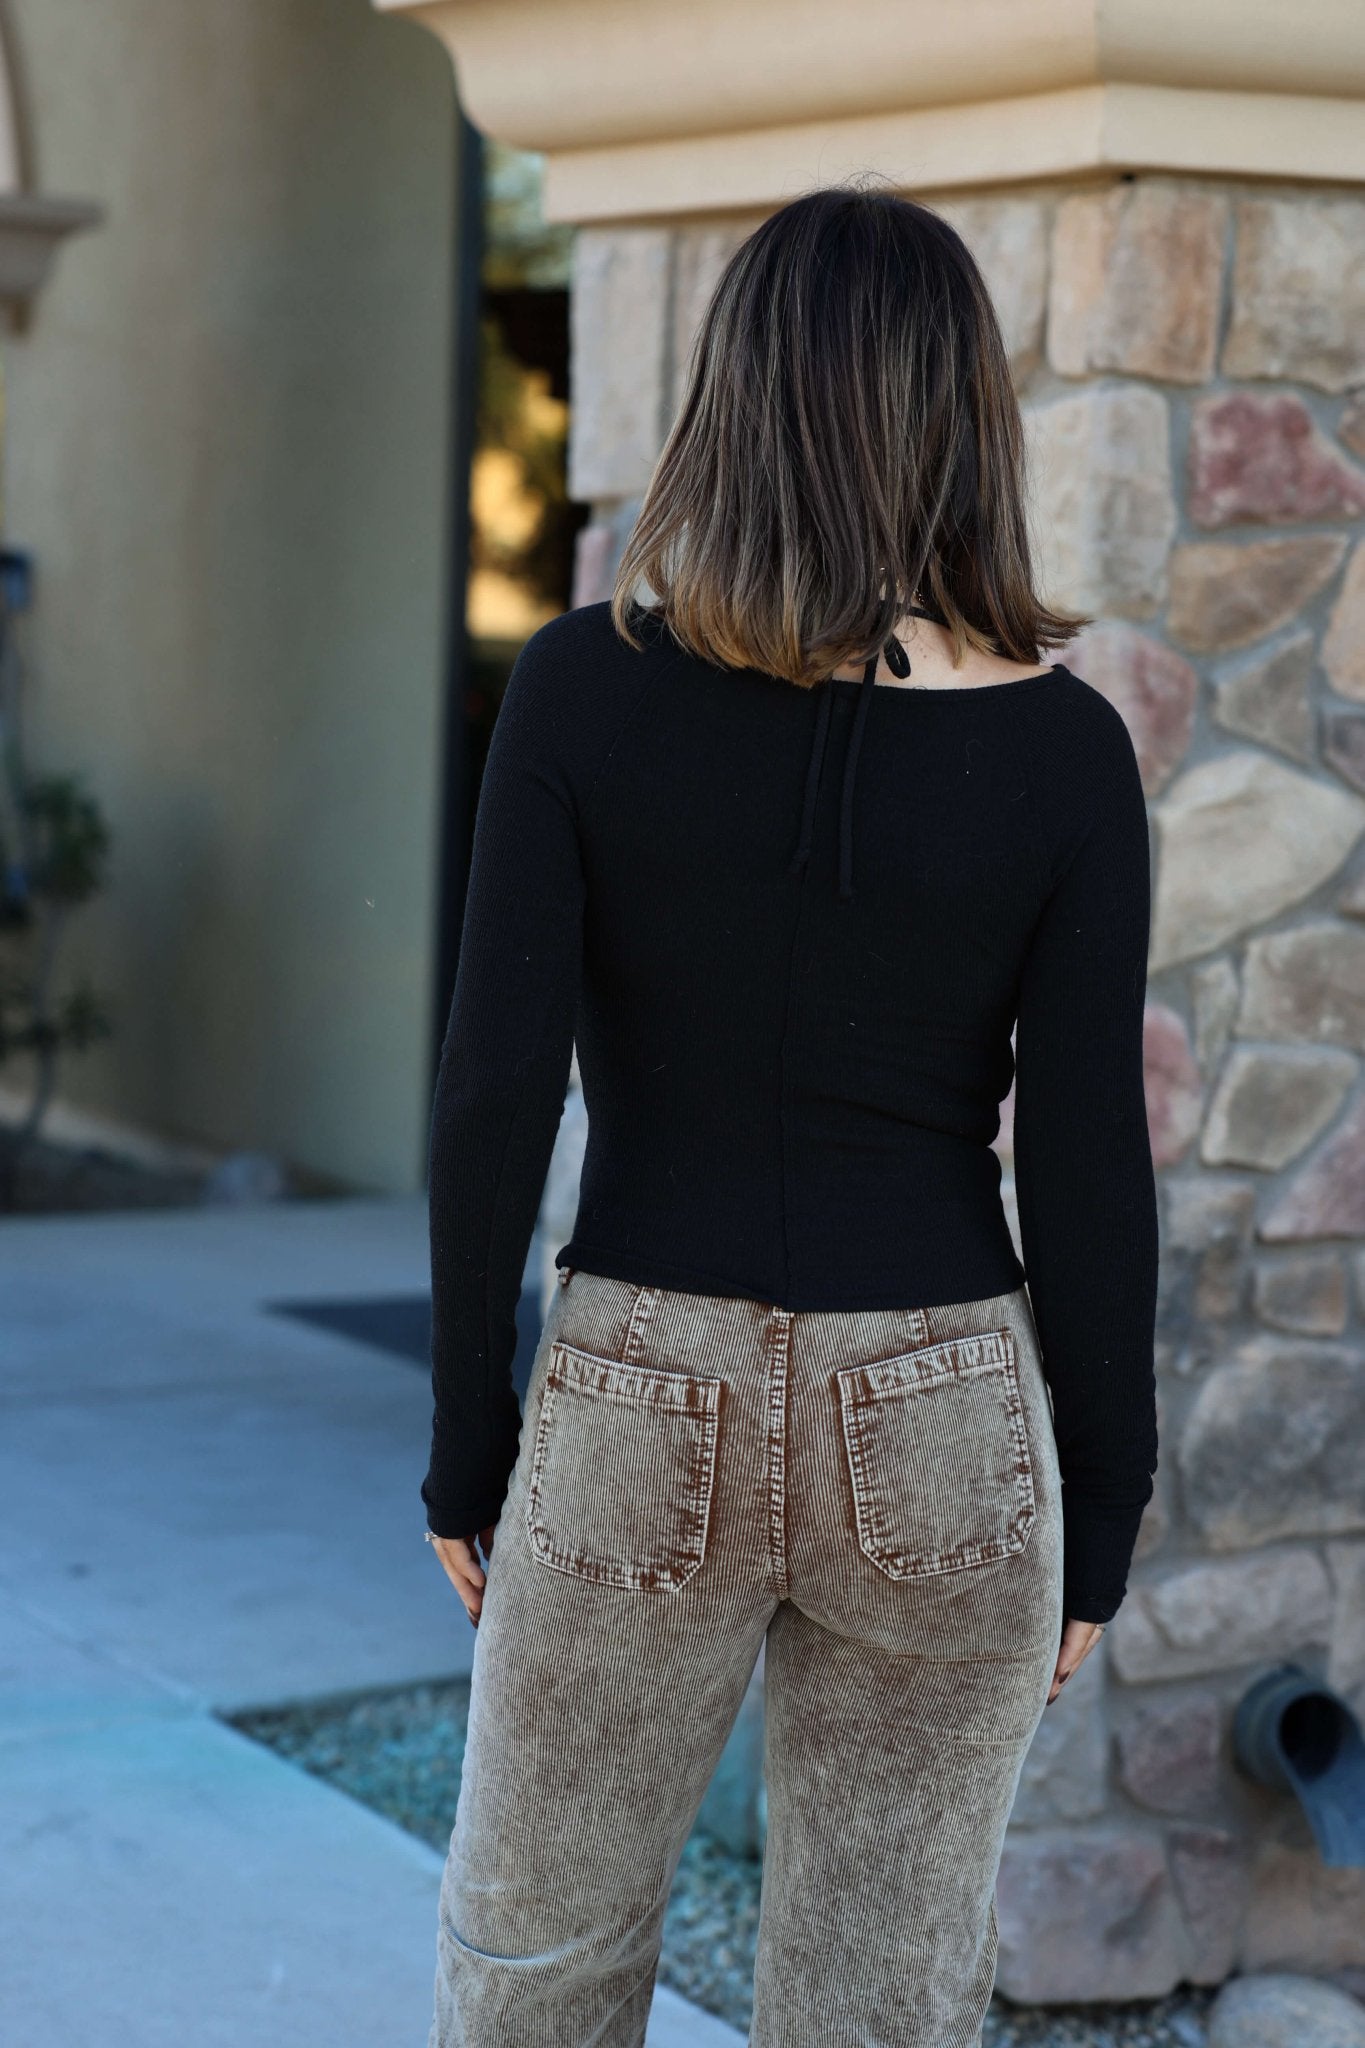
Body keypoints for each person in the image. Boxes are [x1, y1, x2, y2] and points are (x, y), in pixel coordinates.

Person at [421, 181, 1158, 2048]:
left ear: (731, 392)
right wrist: (1110, 1497)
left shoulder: (583, 690)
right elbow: (1084, 1158)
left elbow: (493, 1090)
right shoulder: (1066, 751)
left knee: (536, 1966)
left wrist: (464, 1434)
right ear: (958, 417)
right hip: (941, 1410)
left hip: (631, 1383)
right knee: (877, 2006)